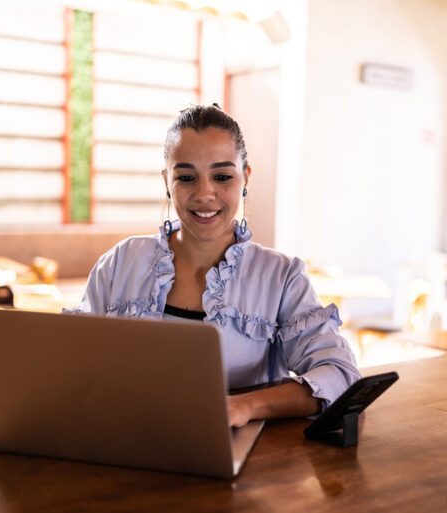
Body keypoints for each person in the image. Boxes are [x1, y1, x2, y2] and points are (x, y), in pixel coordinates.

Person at [67, 104, 360, 427]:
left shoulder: (282, 276)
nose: (205, 193)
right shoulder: (120, 262)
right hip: (122, 442)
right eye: (186, 177)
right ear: (167, 181)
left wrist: (243, 407)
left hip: (241, 459)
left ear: (245, 177)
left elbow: (340, 375)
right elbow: (72, 361)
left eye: (222, 176)